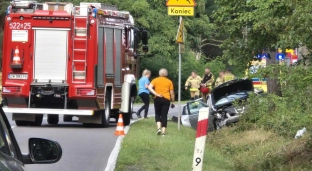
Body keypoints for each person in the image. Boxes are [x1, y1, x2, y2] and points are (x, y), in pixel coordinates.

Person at [148, 68, 174, 136]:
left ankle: (158, 128)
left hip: (157, 98)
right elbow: (172, 93)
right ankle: (163, 132)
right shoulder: (169, 81)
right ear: (165, 74)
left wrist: (156, 94)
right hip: (166, 99)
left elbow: (149, 87)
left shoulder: (155, 80)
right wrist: (172, 101)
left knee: (157, 113)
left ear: (160, 74)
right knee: (164, 115)